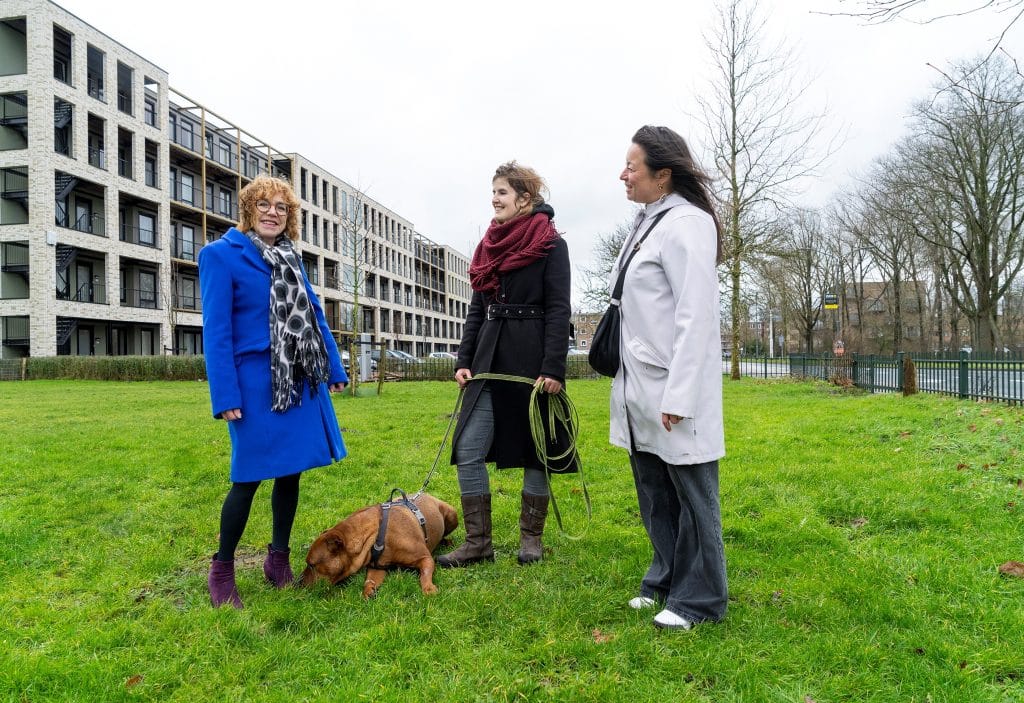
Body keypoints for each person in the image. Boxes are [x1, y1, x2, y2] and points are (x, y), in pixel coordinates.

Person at [198, 174, 348, 608]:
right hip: (252, 384)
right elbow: (217, 332)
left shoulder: (290, 258)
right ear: (248, 209)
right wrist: (225, 395)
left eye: (281, 207)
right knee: (247, 477)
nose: (272, 212)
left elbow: (315, 316)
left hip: (298, 378)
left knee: (290, 471)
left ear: (290, 217)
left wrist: (334, 367)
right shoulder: (220, 256)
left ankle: (277, 559)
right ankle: (222, 569)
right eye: (263, 204)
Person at [611, 125, 727, 630]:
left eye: (632, 166)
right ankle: (663, 579)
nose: (623, 174)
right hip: (639, 388)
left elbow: (696, 316)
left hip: (671, 388)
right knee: (655, 490)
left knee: (692, 494)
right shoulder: (646, 223)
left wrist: (679, 392)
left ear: (663, 175)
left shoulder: (688, 224)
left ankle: (699, 600)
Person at [439, 161, 577, 568]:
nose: (494, 199)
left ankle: (530, 540)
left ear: (525, 198)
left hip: (533, 361)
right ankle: (478, 543)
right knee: (468, 447)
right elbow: (476, 311)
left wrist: (554, 368)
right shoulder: (488, 246)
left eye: (502, 192)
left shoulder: (552, 244)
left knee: (538, 449)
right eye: (493, 191)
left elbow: (558, 309)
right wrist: (465, 360)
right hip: (487, 360)